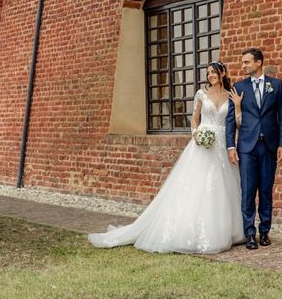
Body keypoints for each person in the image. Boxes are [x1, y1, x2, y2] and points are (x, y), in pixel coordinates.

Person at [88, 61, 245, 253]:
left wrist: (237, 107)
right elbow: (195, 118)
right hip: (202, 145)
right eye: (208, 73)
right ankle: (192, 231)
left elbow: (238, 125)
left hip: (221, 145)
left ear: (222, 73)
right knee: (197, 186)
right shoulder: (201, 94)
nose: (210, 75)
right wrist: (195, 134)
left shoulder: (232, 96)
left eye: (213, 72)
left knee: (224, 187)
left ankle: (230, 231)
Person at [226, 48, 282, 250]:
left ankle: (264, 231)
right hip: (246, 146)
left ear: (259, 62)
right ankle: (249, 233)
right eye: (243, 62)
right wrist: (230, 146)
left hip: (269, 146)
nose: (243, 66)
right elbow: (230, 120)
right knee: (247, 190)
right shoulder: (239, 86)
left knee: (265, 190)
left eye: (246, 62)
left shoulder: (277, 85)